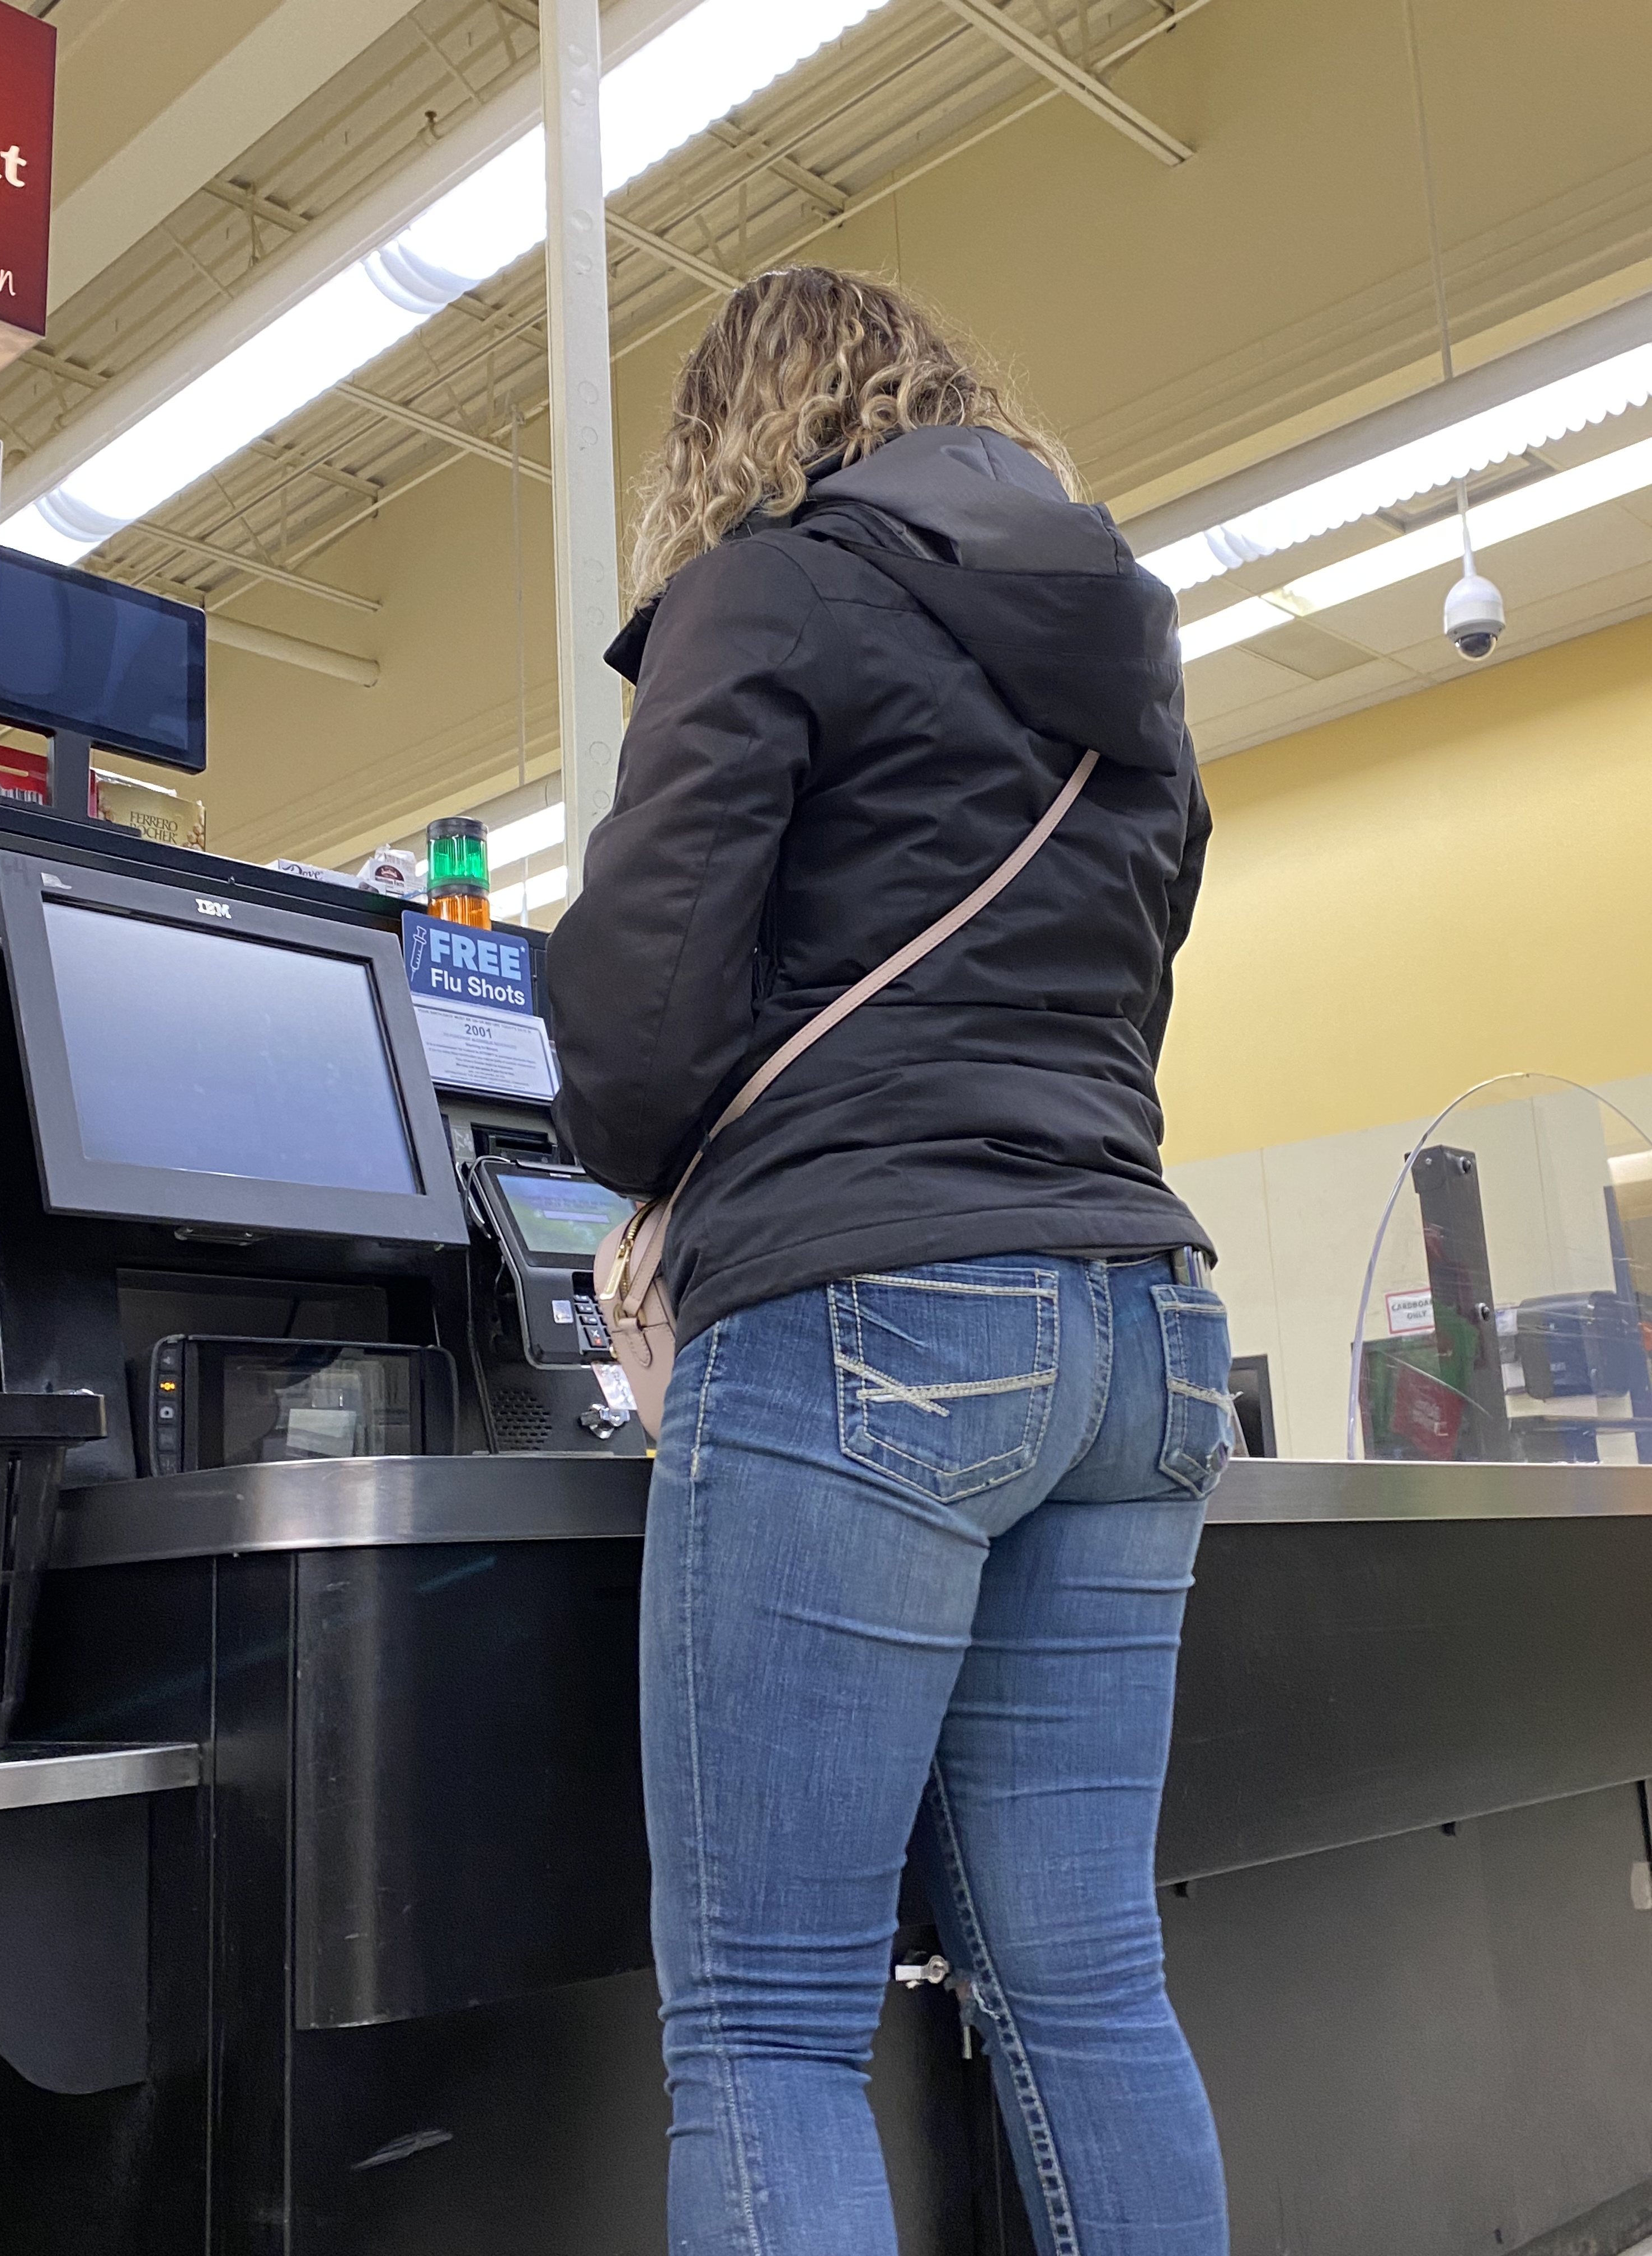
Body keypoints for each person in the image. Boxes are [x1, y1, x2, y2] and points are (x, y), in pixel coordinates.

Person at [546, 265, 1231, 2256]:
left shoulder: (762, 592)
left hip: (868, 1316)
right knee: (1092, 1983)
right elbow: (1132, 986)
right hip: (1142, 1323)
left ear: (730, 439)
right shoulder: (1128, 651)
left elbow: (634, 1047)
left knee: (769, 2029)